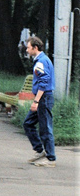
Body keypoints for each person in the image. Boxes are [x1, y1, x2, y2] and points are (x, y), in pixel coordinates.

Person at [23, 36, 57, 167]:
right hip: (43, 98)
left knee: (45, 128)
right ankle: (40, 151)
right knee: (28, 124)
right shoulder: (41, 60)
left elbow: (44, 82)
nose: (27, 50)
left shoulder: (40, 62)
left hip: (43, 99)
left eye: (28, 47)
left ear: (35, 48)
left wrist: (36, 101)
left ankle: (50, 158)